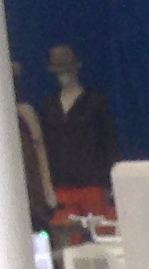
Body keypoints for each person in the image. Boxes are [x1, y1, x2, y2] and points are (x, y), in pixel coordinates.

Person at [34, 43, 116, 212]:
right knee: (66, 226)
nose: (64, 76)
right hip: (61, 184)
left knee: (96, 225)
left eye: (67, 71)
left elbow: (109, 143)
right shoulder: (49, 105)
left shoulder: (94, 102)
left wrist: (111, 182)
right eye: (59, 72)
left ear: (75, 70)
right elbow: (45, 146)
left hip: (93, 183)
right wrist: (46, 184)